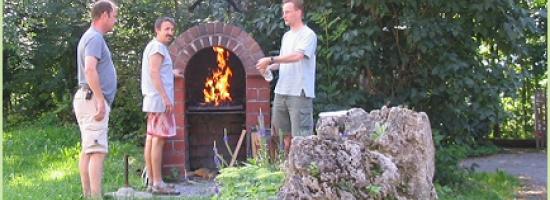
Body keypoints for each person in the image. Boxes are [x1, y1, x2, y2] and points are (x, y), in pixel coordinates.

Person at [256, 0, 318, 158]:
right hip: (281, 92)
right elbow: (283, 61)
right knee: (281, 136)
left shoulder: (308, 35)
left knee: (301, 139)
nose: (284, 15)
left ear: (298, 12)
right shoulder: (286, 36)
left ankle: (302, 174)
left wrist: (270, 60)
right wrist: (269, 67)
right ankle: (285, 171)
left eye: (287, 12)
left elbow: (297, 56)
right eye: (283, 12)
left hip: (299, 92)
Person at [73, 0, 118, 198]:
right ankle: (95, 196)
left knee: (89, 150)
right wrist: (100, 100)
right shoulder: (94, 39)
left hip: (87, 98)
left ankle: (88, 195)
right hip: (92, 100)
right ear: (104, 15)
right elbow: (90, 68)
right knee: (97, 151)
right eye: (114, 16)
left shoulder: (90, 37)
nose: (115, 21)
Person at [141, 16, 184, 195]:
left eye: (172, 30)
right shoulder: (158, 47)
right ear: (157, 30)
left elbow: (158, 70)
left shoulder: (154, 47)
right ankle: (158, 183)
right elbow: (153, 72)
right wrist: (166, 98)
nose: (170, 33)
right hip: (159, 102)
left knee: (152, 139)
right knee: (158, 140)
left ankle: (153, 182)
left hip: (153, 100)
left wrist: (171, 72)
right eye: (166, 29)